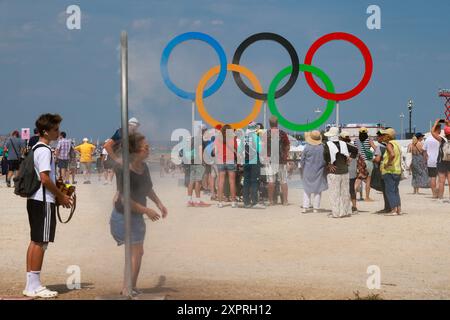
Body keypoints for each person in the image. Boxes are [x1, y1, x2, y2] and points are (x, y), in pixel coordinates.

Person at [110, 132, 168, 296]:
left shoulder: (144, 167)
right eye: (146, 147)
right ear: (136, 150)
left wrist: (159, 203)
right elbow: (124, 198)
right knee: (134, 252)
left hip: (136, 215)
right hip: (123, 216)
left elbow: (147, 188)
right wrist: (146, 210)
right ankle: (127, 287)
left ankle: (130, 286)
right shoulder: (123, 168)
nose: (149, 150)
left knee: (137, 251)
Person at [23, 114, 72, 298]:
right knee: (41, 242)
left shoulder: (37, 147)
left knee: (36, 241)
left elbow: (44, 177)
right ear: (46, 131)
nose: (58, 133)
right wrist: (61, 196)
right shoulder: (44, 150)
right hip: (43, 201)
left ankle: (31, 284)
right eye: (56, 129)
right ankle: (34, 285)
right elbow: (44, 179)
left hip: (36, 200)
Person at [323, 127, 352, 218]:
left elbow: (326, 155)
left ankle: (336, 213)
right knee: (345, 193)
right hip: (345, 171)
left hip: (334, 173)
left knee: (334, 193)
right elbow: (355, 150)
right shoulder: (344, 143)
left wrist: (329, 164)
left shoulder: (328, 144)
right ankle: (346, 212)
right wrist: (348, 159)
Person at [300, 130, 327, 213]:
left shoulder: (307, 147)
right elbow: (325, 160)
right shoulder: (322, 147)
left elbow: (302, 160)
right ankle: (316, 208)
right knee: (318, 190)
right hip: (319, 170)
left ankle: (305, 207)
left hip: (308, 170)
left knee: (306, 189)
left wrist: (302, 168)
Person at [239, 122, 265, 209]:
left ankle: (246, 202)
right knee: (254, 181)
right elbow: (260, 151)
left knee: (246, 181)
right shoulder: (255, 137)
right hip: (254, 161)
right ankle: (254, 202)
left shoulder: (244, 138)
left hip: (246, 162)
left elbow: (239, 151)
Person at [266, 116, 290, 206]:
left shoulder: (266, 134)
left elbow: (263, 148)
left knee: (271, 181)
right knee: (283, 181)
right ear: (277, 123)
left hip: (270, 161)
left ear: (269, 123)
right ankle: (285, 201)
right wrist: (286, 154)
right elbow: (287, 146)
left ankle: (271, 201)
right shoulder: (282, 133)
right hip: (282, 160)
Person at [380, 128, 402, 215]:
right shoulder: (397, 144)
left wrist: (387, 164)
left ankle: (393, 209)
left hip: (390, 171)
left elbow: (392, 155)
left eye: (384, 135)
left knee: (390, 191)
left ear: (388, 136)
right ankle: (398, 209)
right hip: (397, 171)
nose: (383, 137)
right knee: (395, 190)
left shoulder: (389, 144)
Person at [216, 124, 238, 208]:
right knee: (232, 182)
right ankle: (233, 202)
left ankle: (220, 202)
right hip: (230, 160)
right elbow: (236, 149)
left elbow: (216, 150)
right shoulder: (233, 138)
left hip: (221, 160)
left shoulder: (218, 139)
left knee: (221, 182)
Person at [354, 127, 377, 201]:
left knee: (359, 179)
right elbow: (376, 149)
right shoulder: (369, 140)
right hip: (368, 161)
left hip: (360, 161)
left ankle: (352, 195)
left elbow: (355, 151)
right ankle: (367, 197)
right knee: (368, 180)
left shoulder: (356, 140)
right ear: (366, 133)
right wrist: (373, 155)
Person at [339, 131, 359, 213]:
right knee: (351, 189)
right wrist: (351, 157)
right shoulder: (353, 146)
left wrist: (349, 159)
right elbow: (356, 151)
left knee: (344, 190)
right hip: (353, 170)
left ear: (341, 138)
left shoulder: (342, 146)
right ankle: (354, 207)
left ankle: (346, 207)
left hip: (345, 170)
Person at [431, 119, 450, 202]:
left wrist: (435, 123)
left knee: (441, 181)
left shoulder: (442, 140)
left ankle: (440, 197)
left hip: (441, 162)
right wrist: (448, 124)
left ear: (445, 133)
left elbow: (432, 132)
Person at [373, 130, 391, 213]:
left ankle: (387, 208)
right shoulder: (390, 145)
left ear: (382, 137)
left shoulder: (380, 147)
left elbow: (377, 159)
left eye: (378, 136)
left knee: (385, 189)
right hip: (391, 169)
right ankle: (392, 207)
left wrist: (372, 160)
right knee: (390, 190)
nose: (377, 137)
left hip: (382, 169)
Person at [423, 124, 441, 199]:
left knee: (432, 178)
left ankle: (434, 194)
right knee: (440, 178)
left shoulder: (427, 139)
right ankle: (439, 193)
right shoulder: (440, 138)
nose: (440, 130)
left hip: (430, 161)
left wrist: (426, 159)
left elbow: (424, 151)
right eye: (440, 129)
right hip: (440, 161)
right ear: (437, 129)